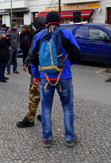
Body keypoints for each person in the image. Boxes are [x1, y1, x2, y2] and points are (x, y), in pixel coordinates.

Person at [30, 11, 82, 148]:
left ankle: (47, 138)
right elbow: (78, 54)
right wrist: (67, 65)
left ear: (47, 22)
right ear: (59, 21)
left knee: (46, 108)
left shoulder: (40, 35)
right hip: (64, 77)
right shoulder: (67, 34)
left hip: (45, 77)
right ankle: (70, 138)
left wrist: (36, 75)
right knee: (68, 108)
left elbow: (33, 59)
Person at [16, 17, 46, 128]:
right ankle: (45, 116)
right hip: (51, 72)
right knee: (46, 94)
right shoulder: (54, 33)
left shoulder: (38, 35)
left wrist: (27, 63)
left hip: (38, 71)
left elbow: (33, 54)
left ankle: (30, 119)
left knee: (34, 95)